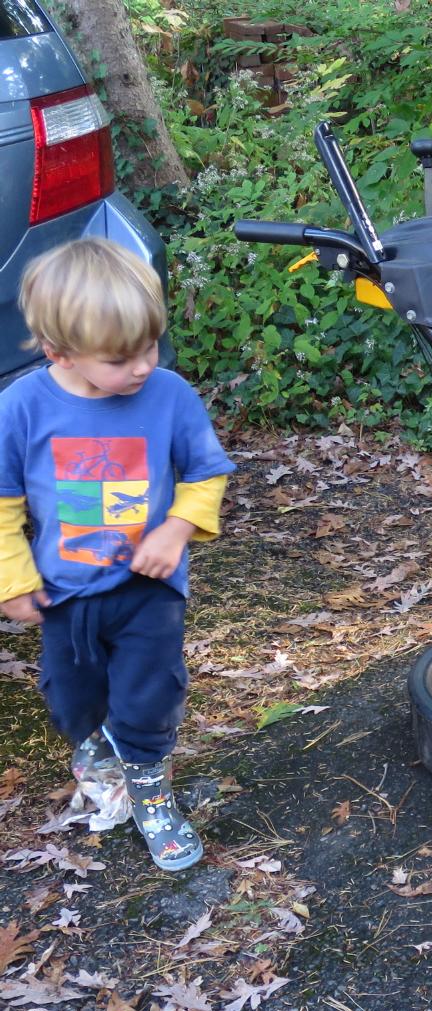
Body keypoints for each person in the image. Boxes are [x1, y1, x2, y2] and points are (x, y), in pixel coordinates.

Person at [0, 238, 235, 872]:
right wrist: (13, 578)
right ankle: (98, 748)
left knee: (148, 695)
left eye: (150, 347)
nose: (142, 367)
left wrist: (175, 530)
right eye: (120, 358)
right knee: (72, 700)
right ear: (60, 353)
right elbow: (2, 503)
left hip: (146, 590)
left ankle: (151, 790)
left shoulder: (169, 395)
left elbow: (206, 473)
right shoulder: (22, 408)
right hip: (65, 592)